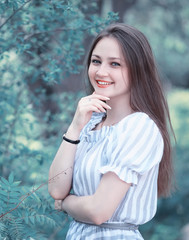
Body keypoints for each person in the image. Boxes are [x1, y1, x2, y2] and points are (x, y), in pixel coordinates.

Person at [48, 23, 175, 239]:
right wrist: (75, 126)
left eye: (115, 64)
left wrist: (66, 203)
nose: (101, 71)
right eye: (96, 61)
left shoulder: (139, 128)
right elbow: (56, 189)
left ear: (137, 71)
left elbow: (98, 211)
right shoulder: (90, 123)